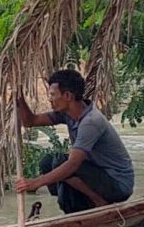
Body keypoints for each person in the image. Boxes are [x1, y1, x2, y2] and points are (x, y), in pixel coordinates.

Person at [15, 69, 134, 213]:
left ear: (67, 96)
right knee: (47, 161)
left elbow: (72, 165)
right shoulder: (67, 114)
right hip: (98, 175)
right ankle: (77, 207)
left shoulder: (90, 122)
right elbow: (30, 121)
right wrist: (19, 97)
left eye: (53, 95)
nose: (49, 99)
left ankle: (100, 203)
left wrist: (35, 183)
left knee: (62, 163)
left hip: (118, 184)